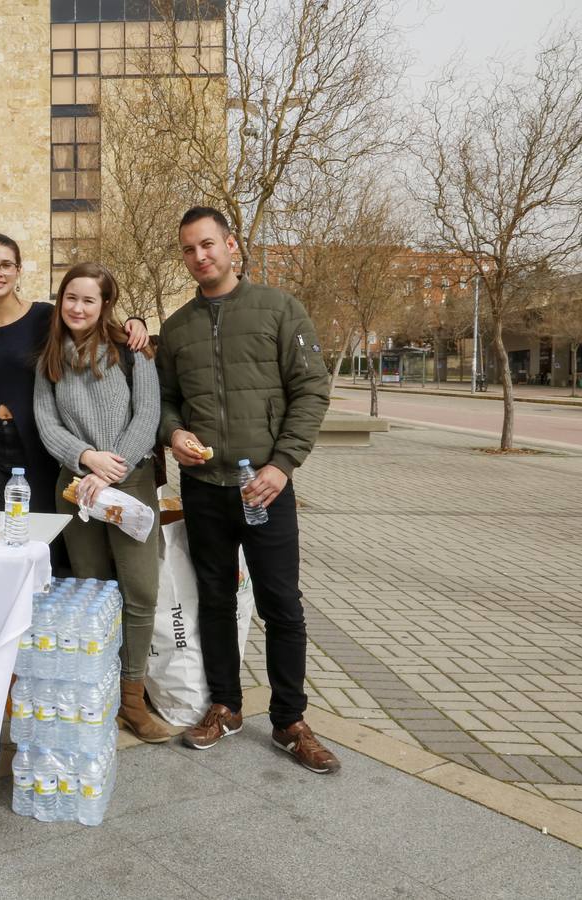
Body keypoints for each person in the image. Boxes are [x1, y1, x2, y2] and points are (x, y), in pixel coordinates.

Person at [157, 206, 338, 774]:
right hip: (205, 488)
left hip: (264, 488)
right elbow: (163, 400)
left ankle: (289, 720)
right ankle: (226, 705)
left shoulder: (280, 309)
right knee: (214, 599)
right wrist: (175, 432)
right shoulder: (179, 326)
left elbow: (311, 391)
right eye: (189, 249)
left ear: (231, 246)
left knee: (281, 603)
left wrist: (283, 465)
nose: (200, 257)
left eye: (208, 245)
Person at [33, 262, 177, 743]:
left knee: (140, 592)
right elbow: (47, 423)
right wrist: (86, 460)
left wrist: (113, 467)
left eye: (88, 299)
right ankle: (97, 690)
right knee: (92, 592)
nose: (77, 307)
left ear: (104, 305)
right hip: (76, 490)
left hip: (130, 485)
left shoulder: (134, 351)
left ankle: (132, 700)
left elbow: (149, 412)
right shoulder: (50, 359)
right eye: (70, 297)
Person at [0, 234, 149, 512]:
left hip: (37, 442)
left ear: (18, 270)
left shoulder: (45, 318)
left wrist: (135, 322)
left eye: (6, 265)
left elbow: (93, 324)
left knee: (43, 534)